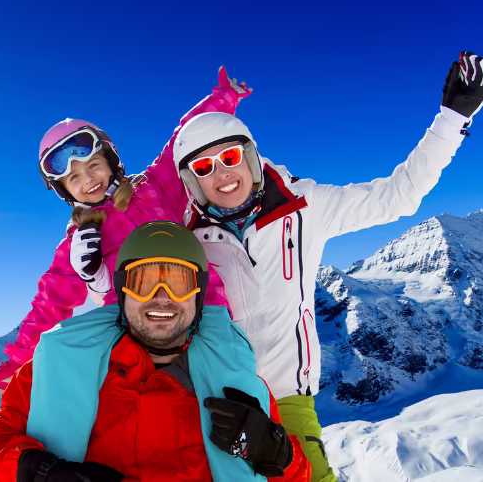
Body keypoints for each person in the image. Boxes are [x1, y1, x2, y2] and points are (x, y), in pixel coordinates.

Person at [169, 51, 483, 482]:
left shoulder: (305, 207)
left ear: (251, 158)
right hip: (214, 400)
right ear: (192, 183)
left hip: (288, 397)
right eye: (204, 167)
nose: (222, 173)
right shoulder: (183, 240)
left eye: (230, 157)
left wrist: (451, 120)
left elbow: (398, 195)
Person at [0, 221, 312, 482]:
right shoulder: (58, 367)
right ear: (121, 292)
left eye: (178, 283)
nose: (161, 297)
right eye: (143, 282)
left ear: (198, 294)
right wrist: (41, 471)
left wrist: (277, 451)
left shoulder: (237, 383)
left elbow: (299, 475)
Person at [0, 67, 250, 392]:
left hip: (201, 303)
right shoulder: (81, 239)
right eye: (74, 178)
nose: (88, 180)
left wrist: (225, 97)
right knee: (133, 395)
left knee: (228, 380)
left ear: (111, 163)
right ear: (65, 190)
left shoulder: (154, 187)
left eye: (93, 166)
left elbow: (183, 138)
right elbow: (50, 302)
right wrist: (18, 360)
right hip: (134, 326)